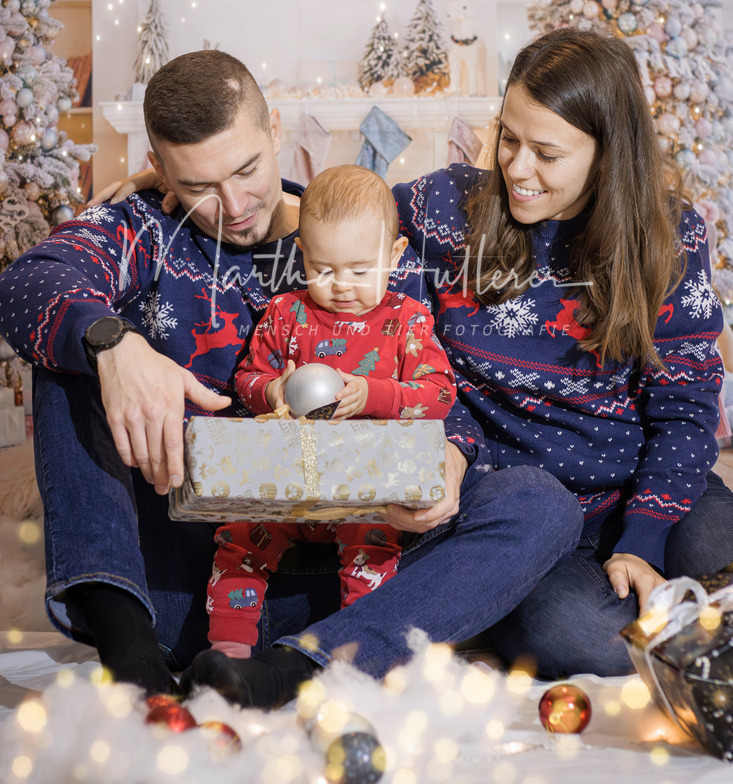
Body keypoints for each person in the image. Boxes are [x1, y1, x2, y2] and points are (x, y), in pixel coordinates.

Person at [0, 48, 584, 703]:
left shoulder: (359, 236)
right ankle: (131, 658)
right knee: (72, 347)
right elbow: (24, 283)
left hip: (356, 568)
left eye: (247, 169)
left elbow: (439, 395)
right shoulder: (144, 226)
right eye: (199, 185)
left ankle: (296, 669)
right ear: (158, 168)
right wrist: (116, 345)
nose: (233, 203)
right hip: (193, 572)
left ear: (275, 129)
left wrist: (445, 462)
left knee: (542, 506)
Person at [389, 26, 733, 678]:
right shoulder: (449, 207)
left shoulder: (668, 237)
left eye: (546, 153)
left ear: (605, 157)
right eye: (508, 139)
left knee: (718, 552)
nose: (517, 168)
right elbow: (332, 211)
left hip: (651, 490)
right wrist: (181, 188)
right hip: (534, 517)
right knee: (573, 639)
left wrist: (643, 539)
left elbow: (685, 409)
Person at [206, 165, 457, 661]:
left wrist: (374, 394)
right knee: (238, 537)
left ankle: (356, 654)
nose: (341, 286)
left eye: (361, 271)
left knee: (373, 552)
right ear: (302, 255)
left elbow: (439, 395)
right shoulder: (285, 314)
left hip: (365, 489)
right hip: (287, 482)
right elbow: (245, 380)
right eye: (323, 270)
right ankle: (228, 650)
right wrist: (273, 390)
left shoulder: (407, 320)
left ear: (395, 256)